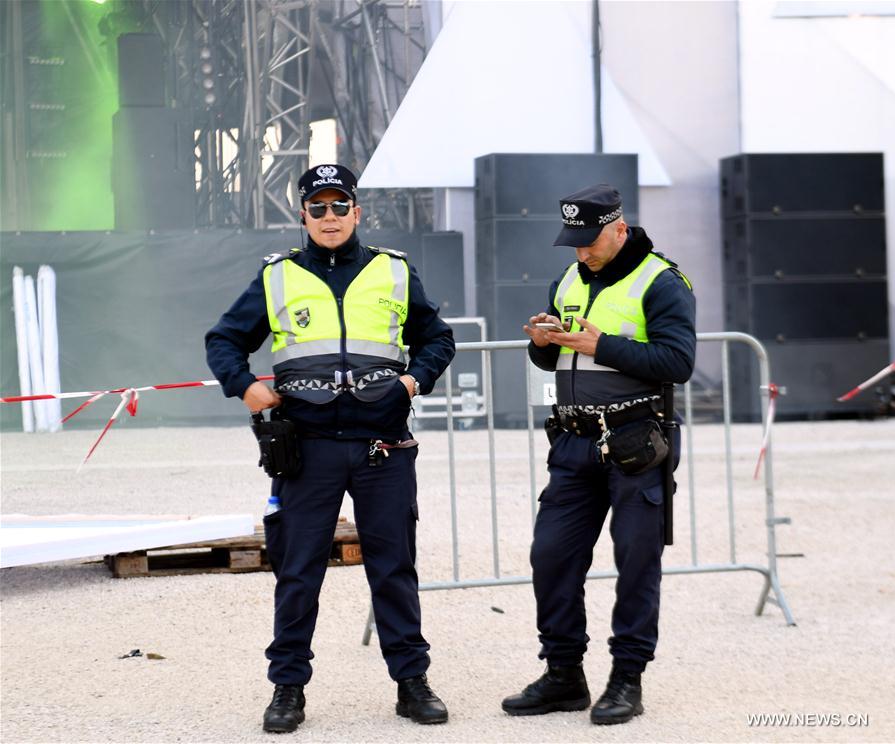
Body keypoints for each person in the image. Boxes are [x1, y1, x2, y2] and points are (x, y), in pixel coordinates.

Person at [205, 164, 455, 732]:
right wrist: (244, 387)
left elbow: (437, 339)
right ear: (304, 215)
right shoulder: (278, 276)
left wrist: (412, 382)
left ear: (356, 211)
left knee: (394, 569)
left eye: (339, 205)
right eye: (317, 207)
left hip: (381, 445)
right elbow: (224, 340)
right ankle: (287, 688)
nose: (329, 216)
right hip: (308, 447)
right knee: (297, 572)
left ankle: (411, 683)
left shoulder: (393, 270)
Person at [501, 184, 695, 725]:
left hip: (636, 441)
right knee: (551, 556)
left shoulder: (661, 280)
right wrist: (543, 343)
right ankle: (563, 675)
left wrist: (601, 345)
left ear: (619, 228)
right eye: (574, 242)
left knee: (636, 560)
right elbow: (555, 361)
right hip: (574, 442)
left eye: (590, 241)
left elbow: (678, 361)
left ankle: (627, 678)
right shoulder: (568, 279)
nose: (582, 251)